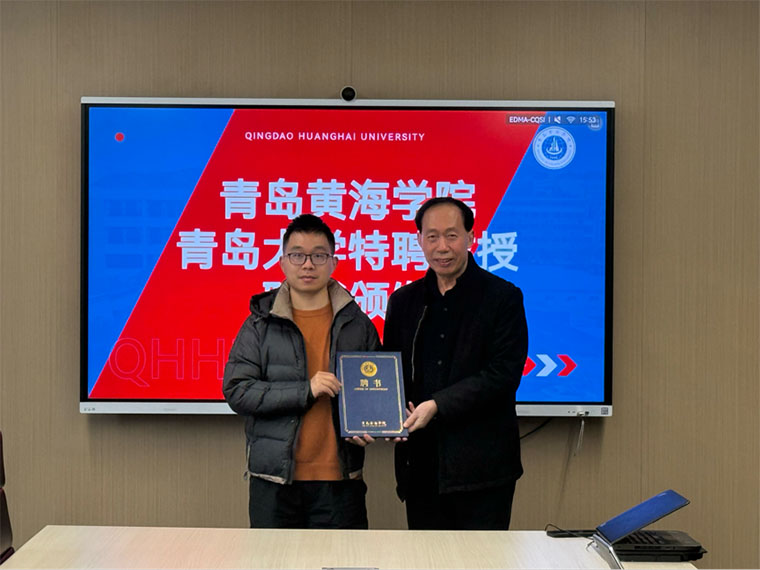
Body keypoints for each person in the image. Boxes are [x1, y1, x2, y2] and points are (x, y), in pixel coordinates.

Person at [223, 214, 381, 529]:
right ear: (282, 262)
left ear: (334, 263)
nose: (308, 264)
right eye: (297, 255)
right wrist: (305, 390)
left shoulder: (358, 324)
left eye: (318, 256)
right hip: (275, 482)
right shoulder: (260, 323)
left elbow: (376, 390)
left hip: (340, 482)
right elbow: (238, 391)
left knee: (345, 557)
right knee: (273, 558)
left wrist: (375, 423)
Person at [383, 197, 528, 530]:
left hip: (483, 471)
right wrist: (387, 413)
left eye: (451, 235)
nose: (442, 247)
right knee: (425, 557)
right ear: (419, 239)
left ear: (470, 237)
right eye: (432, 236)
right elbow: (391, 371)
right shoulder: (404, 301)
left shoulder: (502, 297)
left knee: (482, 558)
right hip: (420, 467)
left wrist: (437, 404)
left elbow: (503, 374)